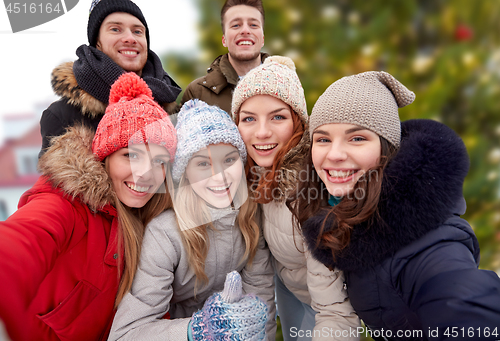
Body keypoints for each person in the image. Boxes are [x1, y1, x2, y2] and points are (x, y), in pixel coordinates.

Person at [295, 71, 500, 339]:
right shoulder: (349, 213)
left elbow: (464, 305)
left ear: (386, 148)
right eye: (323, 139)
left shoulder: (427, 240)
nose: (334, 154)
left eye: (357, 138)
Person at [0, 72, 177, 341]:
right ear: (105, 157)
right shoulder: (67, 203)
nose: (145, 174)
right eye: (131, 155)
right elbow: (21, 241)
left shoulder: (152, 223)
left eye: (159, 160)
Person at [108, 99, 276, 340]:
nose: (220, 176)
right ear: (185, 173)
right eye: (203, 163)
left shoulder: (249, 219)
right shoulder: (165, 233)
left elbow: (261, 306)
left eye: (229, 160)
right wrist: (197, 330)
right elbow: (127, 333)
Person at [232, 56, 360, 340]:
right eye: (248, 118)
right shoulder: (248, 174)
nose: (262, 132)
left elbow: (336, 312)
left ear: (299, 123)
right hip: (289, 290)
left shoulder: (313, 188)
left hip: (324, 306)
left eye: (278, 116)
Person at [39, 0, 181, 157]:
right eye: (115, 29)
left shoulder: (174, 109)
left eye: (138, 31)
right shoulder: (62, 116)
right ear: (97, 43)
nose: (130, 38)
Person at [180, 0, 268, 114]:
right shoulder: (197, 93)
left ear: (263, 39)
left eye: (253, 25)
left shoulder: (288, 85)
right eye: (236, 25)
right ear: (224, 40)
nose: (245, 30)